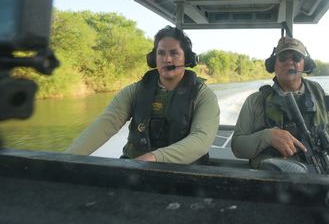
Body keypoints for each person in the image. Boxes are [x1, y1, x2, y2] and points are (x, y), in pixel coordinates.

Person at [66, 26, 220, 164]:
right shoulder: (135, 91)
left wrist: (154, 157)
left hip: (184, 172)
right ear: (153, 59)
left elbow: (201, 140)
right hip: (136, 168)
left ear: (187, 59)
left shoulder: (203, 96)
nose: (167, 59)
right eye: (161, 53)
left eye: (174, 53)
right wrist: (66, 159)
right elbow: (106, 124)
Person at [231, 37, 329, 169]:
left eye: (296, 58)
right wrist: (267, 137)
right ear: (273, 64)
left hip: (321, 181)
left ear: (305, 65)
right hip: (269, 183)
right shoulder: (255, 102)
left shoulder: (326, 103)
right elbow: (237, 147)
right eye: (283, 58)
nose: (289, 62)